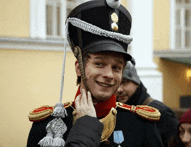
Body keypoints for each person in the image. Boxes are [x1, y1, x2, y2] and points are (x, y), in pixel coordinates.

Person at [27, 0, 164, 147]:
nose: (109, 75)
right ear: (79, 68)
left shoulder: (141, 125)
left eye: (117, 67)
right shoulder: (47, 127)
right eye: (99, 64)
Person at [115, 59, 179, 147]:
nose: (119, 90)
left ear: (136, 83)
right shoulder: (114, 112)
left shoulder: (160, 112)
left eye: (124, 82)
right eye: (115, 84)